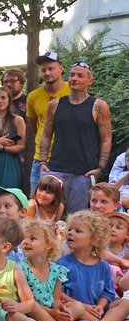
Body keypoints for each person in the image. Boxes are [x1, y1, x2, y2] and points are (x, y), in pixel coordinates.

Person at [39, 61, 112, 213]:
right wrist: (42, 162)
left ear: (90, 81)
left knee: (77, 219)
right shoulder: (55, 104)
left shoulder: (98, 106)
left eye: (80, 76)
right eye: (72, 75)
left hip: (83, 173)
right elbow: (46, 134)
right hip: (55, 170)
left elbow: (106, 138)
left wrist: (100, 168)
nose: (74, 78)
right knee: (47, 217)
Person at [58, 210, 129, 321]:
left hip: (97, 310)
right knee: (75, 309)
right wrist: (83, 306)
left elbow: (107, 293)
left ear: (94, 240)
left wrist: (101, 306)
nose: (70, 233)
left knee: (124, 304)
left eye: (78, 231)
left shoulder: (103, 266)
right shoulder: (62, 264)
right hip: (75, 308)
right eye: (70, 229)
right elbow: (58, 293)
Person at [19, 219, 76, 321]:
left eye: (32, 238)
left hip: (51, 312)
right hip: (32, 312)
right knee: (32, 307)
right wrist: (52, 313)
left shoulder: (56, 270)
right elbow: (25, 302)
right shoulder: (20, 269)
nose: (25, 242)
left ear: (48, 245)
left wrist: (58, 310)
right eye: (24, 238)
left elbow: (56, 298)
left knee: (78, 306)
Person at [26, 51, 70, 191]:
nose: (47, 72)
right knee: (36, 202)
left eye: (51, 68)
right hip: (41, 158)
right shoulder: (33, 96)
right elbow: (34, 126)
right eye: (43, 70)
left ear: (61, 68)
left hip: (67, 157)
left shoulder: (72, 90)